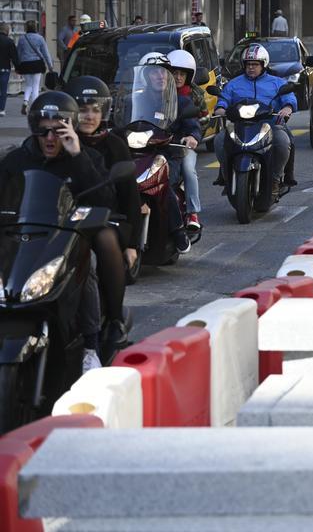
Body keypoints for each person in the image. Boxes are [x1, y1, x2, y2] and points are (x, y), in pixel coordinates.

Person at [0, 92, 123, 370]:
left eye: (58, 130)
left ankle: (90, 347)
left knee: (87, 265)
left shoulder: (86, 156)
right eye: (44, 131)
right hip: (21, 238)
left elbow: (105, 200)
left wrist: (78, 154)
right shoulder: (15, 159)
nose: (50, 138)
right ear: (34, 130)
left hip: (69, 238)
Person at [65, 77, 140, 358]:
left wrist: (131, 244)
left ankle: (113, 322)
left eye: (95, 109)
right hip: (62, 217)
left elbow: (130, 196)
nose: (88, 116)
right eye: (82, 109)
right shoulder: (58, 139)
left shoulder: (115, 144)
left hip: (107, 217)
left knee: (104, 247)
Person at [213, 43, 297, 196]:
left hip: (270, 126)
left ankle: (275, 181)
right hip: (241, 126)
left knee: (283, 142)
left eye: (255, 64)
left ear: (263, 65)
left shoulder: (277, 82)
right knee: (219, 140)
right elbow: (224, 98)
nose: (251, 67)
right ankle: (227, 176)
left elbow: (289, 97)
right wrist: (221, 107)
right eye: (248, 64)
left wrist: (288, 107)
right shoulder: (234, 83)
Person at [133, 53, 194, 253]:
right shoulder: (134, 99)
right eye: (154, 73)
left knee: (162, 184)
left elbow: (192, 125)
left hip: (168, 154)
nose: (160, 76)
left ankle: (177, 230)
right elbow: (121, 122)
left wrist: (192, 136)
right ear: (146, 76)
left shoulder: (181, 101)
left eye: (164, 72)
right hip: (138, 154)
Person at [166, 50, 204, 233]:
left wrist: (192, 137)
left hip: (181, 146)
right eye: (174, 73)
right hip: (157, 145)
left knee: (189, 169)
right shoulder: (156, 96)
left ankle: (192, 212)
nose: (178, 77)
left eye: (182, 74)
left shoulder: (189, 98)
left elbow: (194, 124)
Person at [16, 19, 53, 115]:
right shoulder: (40, 38)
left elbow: (18, 53)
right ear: (36, 27)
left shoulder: (22, 38)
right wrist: (50, 65)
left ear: (26, 28)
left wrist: (17, 65)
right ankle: (35, 107)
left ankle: (25, 101)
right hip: (37, 63)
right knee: (36, 86)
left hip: (25, 64)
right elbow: (46, 53)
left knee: (28, 85)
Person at [0, 23, 17, 117]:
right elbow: (14, 57)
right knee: (3, 90)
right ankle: (1, 109)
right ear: (7, 31)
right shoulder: (9, 41)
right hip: (5, 69)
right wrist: (18, 68)